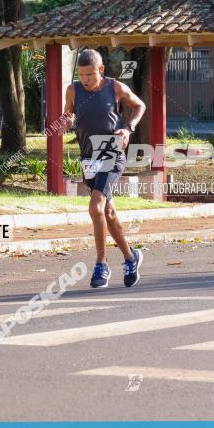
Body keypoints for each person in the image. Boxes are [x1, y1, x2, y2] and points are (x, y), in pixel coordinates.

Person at [59, 48, 146, 289]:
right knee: (107, 212)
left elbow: (140, 106)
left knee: (96, 204)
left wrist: (128, 128)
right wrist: (67, 120)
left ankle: (101, 263)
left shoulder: (115, 87)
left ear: (101, 70)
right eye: (82, 74)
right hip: (89, 155)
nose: (85, 79)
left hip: (111, 149)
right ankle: (131, 257)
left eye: (90, 74)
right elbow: (69, 114)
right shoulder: (73, 90)